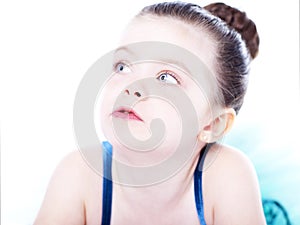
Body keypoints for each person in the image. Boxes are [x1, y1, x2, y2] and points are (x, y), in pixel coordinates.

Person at [34, 2, 266, 225]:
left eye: (166, 78)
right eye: (123, 66)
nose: (132, 87)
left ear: (212, 124)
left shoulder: (227, 176)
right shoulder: (78, 174)